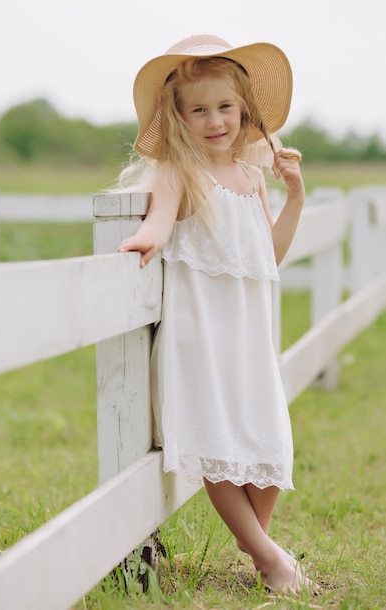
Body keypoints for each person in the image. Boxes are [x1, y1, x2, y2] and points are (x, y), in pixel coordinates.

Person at [115, 34, 316, 595]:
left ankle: (263, 551)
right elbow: (158, 218)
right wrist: (146, 240)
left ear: (245, 109)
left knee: (268, 441)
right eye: (198, 109)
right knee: (218, 446)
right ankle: (271, 560)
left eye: (224, 106)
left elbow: (266, 257)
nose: (214, 120)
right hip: (199, 334)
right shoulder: (179, 172)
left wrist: (294, 197)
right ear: (179, 116)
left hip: (250, 335)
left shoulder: (253, 179)